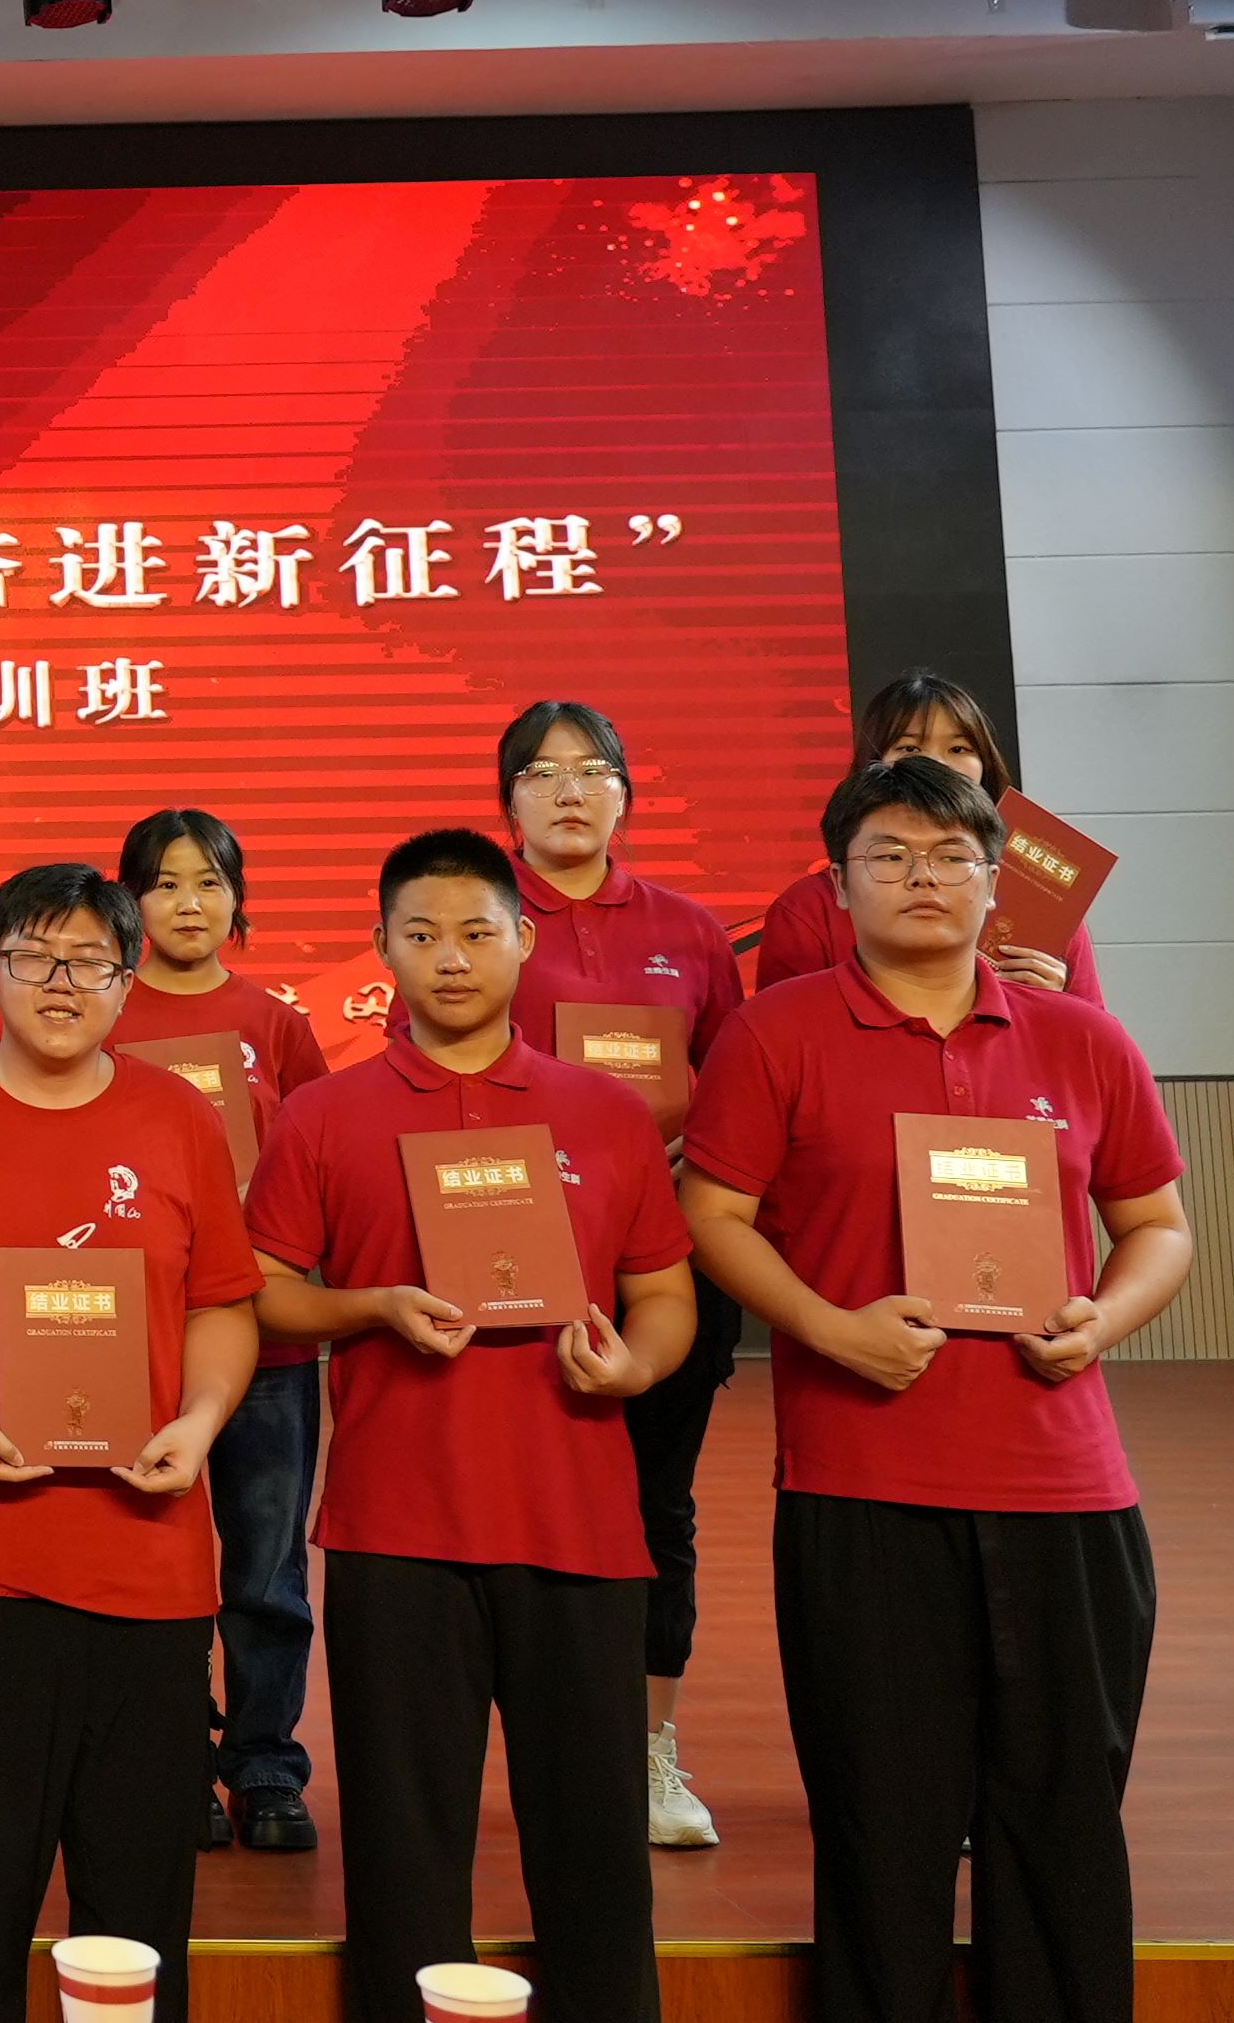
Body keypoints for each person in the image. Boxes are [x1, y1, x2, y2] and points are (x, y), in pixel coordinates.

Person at [684, 757, 1192, 2023]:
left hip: (1065, 1486)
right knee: (882, 1821)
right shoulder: (775, 1032)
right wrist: (826, 1330)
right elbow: (713, 1212)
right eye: (889, 856)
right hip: (866, 1482)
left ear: (993, 881)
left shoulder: (1082, 1040)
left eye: (951, 856)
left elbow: (1157, 1228)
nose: (923, 878)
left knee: (1062, 1816)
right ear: (838, 885)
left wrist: (1101, 1319)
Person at [246, 829, 693, 2023]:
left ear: (521, 940)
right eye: (421, 935)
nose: (450, 958)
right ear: (382, 947)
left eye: (475, 933)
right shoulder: (323, 1115)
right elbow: (264, 1290)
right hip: (398, 1531)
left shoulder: (603, 1112)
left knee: (595, 1856)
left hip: (579, 1531)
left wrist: (634, 1365)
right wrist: (370, 1307)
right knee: (404, 1855)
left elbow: (664, 1291)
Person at [0, 862, 257, 2023]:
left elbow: (223, 1303)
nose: (61, 982)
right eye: (32, 957)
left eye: (89, 961)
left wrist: (198, 1421)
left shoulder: (178, 1119)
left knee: (135, 1927)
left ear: (129, 982)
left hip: (150, 1573)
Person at [494, 697, 745, 1847]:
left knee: (657, 1506)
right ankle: (547, 1748)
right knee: (523, 1506)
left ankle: (647, 1748)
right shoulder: (479, 919)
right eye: (542, 773)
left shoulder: (687, 931)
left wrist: (702, 1145)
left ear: (625, 794)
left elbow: (736, 1082)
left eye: (591, 770)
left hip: (662, 1261)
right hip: (513, 1252)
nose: (568, 791)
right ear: (508, 801)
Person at [110, 808, 332, 1852]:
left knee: (266, 1566)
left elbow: (323, 1161)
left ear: (238, 899)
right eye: (162, 883)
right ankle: (172, 1757)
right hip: (136, 1337)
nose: (187, 903)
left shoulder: (274, 1025)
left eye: (208, 882)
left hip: (266, 1335)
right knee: (152, 1558)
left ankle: (265, 1763)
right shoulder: (103, 1013)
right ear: (129, 902)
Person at [753, 673, 1099, 1000]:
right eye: (910, 749)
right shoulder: (808, 910)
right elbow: (784, 1029)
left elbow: (1092, 1030)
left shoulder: (1049, 903)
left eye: (959, 749)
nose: (936, 765)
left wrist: (1055, 1003)